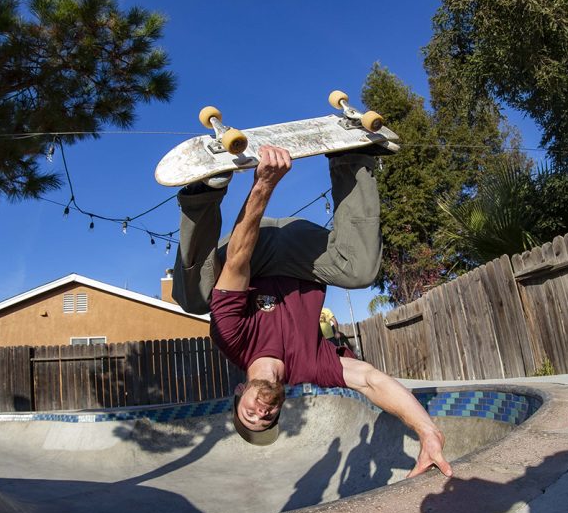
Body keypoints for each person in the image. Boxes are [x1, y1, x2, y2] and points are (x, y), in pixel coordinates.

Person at [173, 146, 452, 478]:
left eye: (250, 415)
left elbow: (237, 262)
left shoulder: (231, 339)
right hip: (299, 256)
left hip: (250, 252)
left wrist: (263, 185)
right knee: (360, 271)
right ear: (280, 406)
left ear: (239, 393)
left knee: (194, 298)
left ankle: (204, 192)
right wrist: (428, 432)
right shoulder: (310, 365)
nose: (261, 413)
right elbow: (370, 380)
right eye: (268, 418)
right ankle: (351, 160)